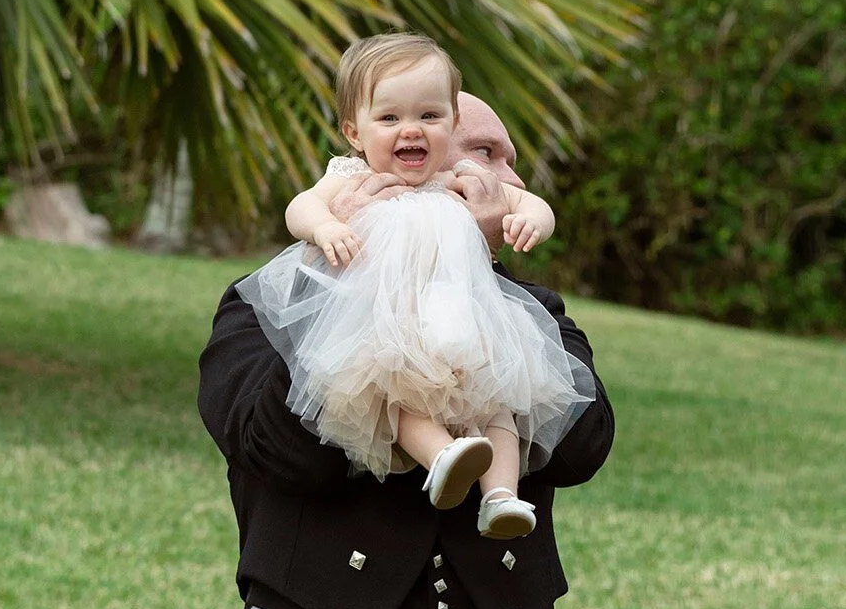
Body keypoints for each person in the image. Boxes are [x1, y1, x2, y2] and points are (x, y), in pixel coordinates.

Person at [198, 67, 616, 609]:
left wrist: (476, 297)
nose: (504, 173)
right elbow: (277, 451)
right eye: (484, 152)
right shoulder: (273, 302)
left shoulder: (527, 318)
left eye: (508, 157)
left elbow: (584, 443)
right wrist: (360, 299)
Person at [244, 35, 593, 540]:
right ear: (354, 132)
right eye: (389, 119)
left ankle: (500, 497)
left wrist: (535, 222)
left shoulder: (459, 180)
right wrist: (326, 228)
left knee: (501, 401)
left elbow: (530, 204)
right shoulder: (351, 179)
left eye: (430, 116)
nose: (411, 129)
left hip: (464, 322)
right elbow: (300, 208)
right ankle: (442, 457)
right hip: (390, 324)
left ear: (450, 124)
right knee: (393, 392)